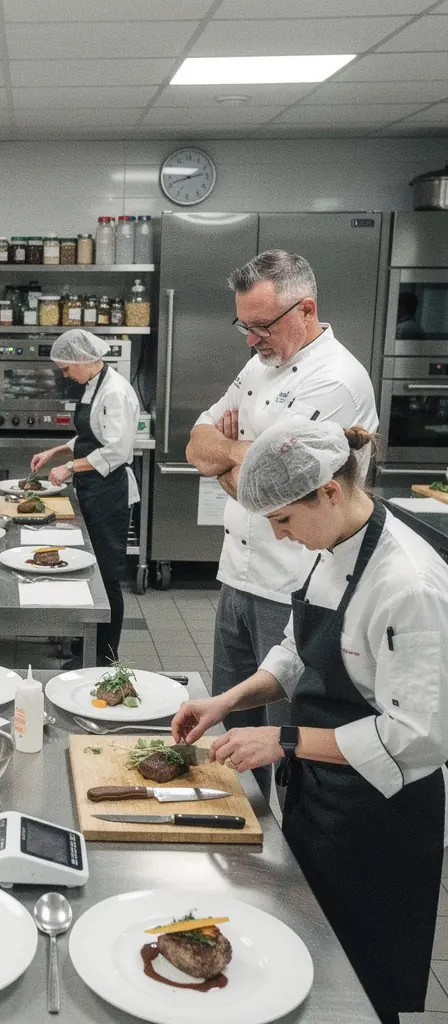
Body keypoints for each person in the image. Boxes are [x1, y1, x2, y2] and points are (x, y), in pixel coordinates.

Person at [172, 417, 448, 1024]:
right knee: (307, 964)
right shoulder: (331, 544)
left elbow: (419, 739)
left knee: (359, 988)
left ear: (329, 491)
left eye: (284, 521)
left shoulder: (410, 584)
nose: (280, 535)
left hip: (380, 818)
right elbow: (299, 653)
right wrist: (229, 701)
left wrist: (284, 738)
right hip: (321, 794)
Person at [186, 250, 378, 799]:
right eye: (243, 325)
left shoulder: (336, 379)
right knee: (234, 729)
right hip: (238, 576)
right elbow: (198, 444)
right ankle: (241, 834)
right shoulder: (260, 364)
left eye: (261, 325)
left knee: (285, 736)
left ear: (307, 308)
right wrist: (236, 454)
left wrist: (238, 458)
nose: (250, 339)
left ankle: (287, 860)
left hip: (297, 579)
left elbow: (276, 490)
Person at [31, 329, 140, 666]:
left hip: (109, 493)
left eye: (66, 368)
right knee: (89, 572)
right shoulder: (94, 385)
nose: (65, 375)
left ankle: (106, 657)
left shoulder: (116, 392)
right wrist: (56, 450)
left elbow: (117, 450)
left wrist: (69, 468)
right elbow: (90, 434)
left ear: (83, 359)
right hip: (92, 489)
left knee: (107, 576)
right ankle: (87, 648)